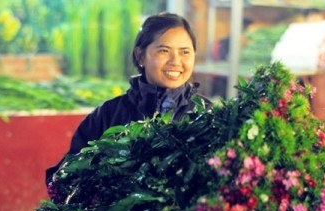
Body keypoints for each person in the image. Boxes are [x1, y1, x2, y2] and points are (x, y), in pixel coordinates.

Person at [45, 12, 210, 187]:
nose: (176, 61)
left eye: (185, 52)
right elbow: (67, 176)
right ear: (140, 56)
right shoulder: (108, 114)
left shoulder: (208, 115)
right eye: (164, 51)